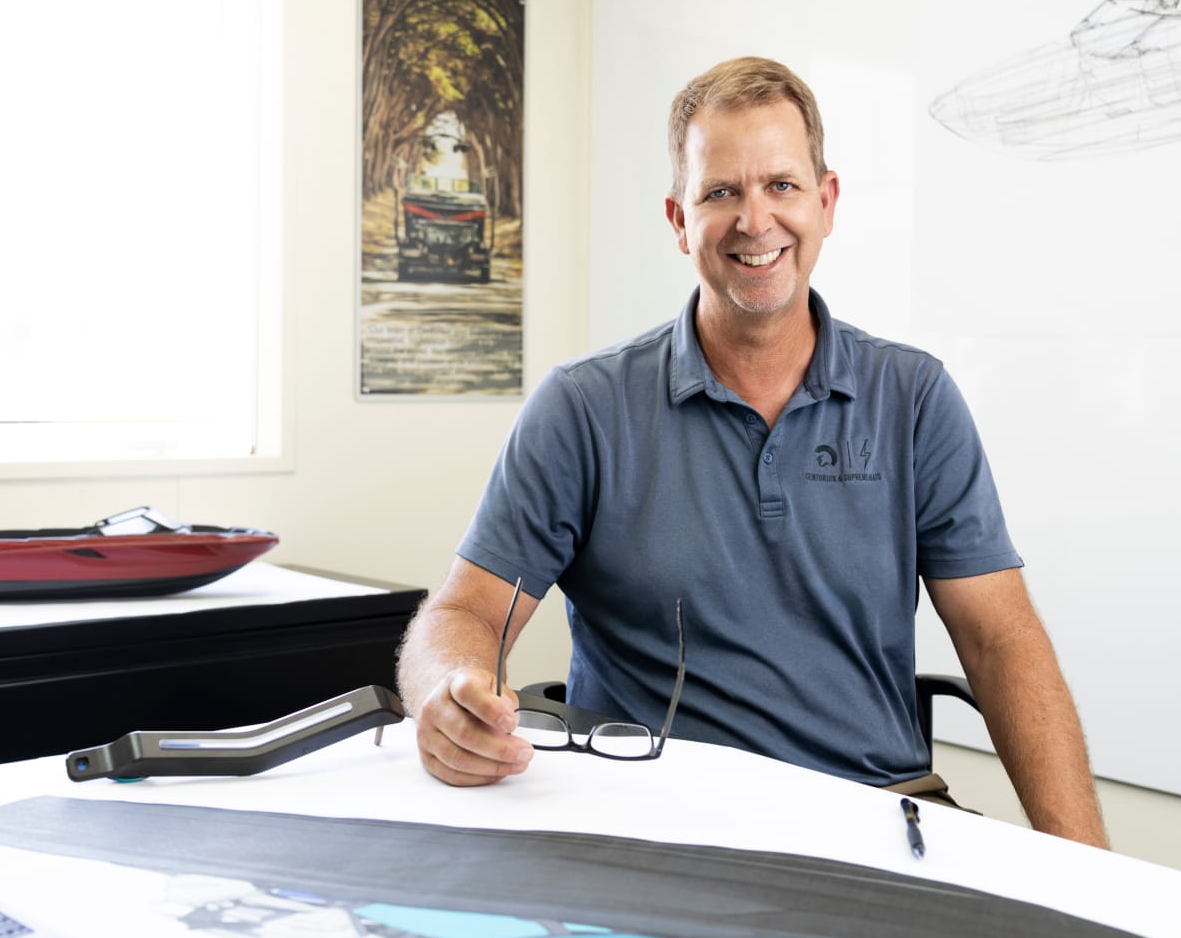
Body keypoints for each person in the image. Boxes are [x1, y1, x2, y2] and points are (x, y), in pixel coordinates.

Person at [397, 56, 1109, 848]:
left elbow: (999, 637)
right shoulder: (583, 409)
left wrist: (1094, 874)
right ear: (678, 220)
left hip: (879, 813)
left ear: (826, 201)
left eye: (781, 185)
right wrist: (446, 692)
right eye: (720, 192)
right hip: (655, 830)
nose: (754, 220)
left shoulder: (914, 398)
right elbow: (463, 613)